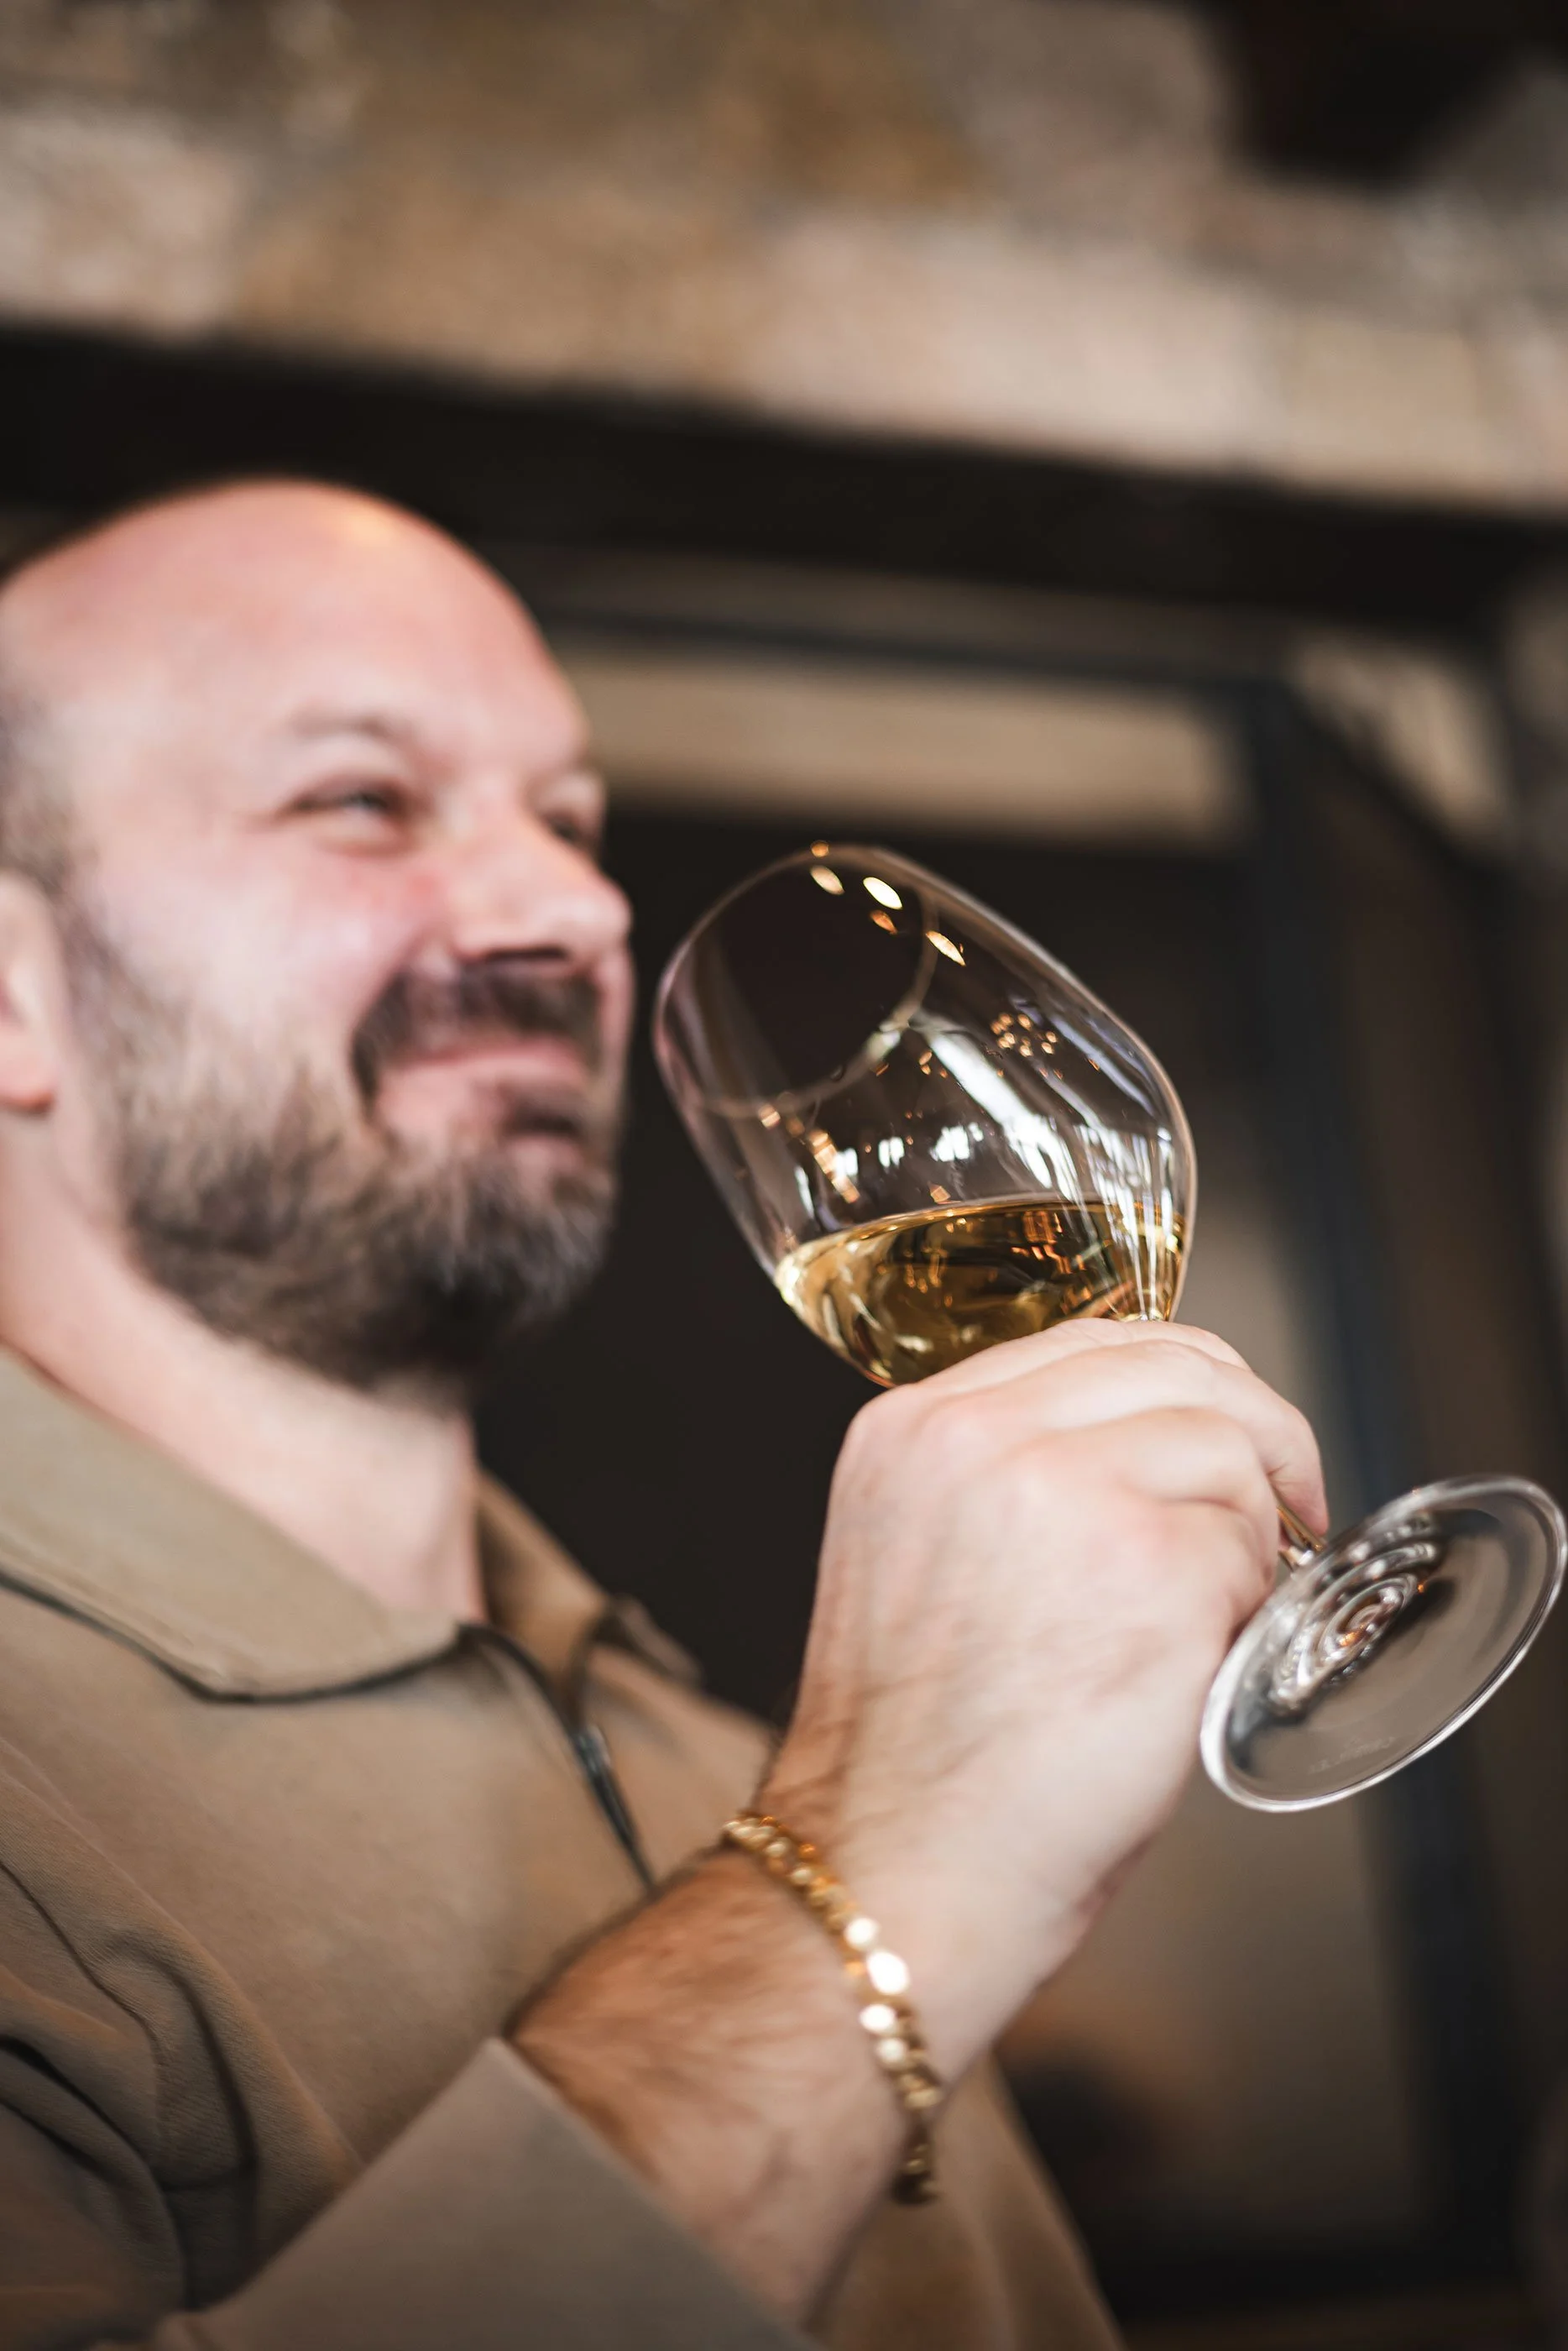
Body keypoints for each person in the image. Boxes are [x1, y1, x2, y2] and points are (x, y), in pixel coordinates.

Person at [0, 481, 1324, 2349]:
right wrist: (869, 1858)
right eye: (360, 799)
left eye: (568, 820)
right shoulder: (851, 1806)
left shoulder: (713, 1746)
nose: (577, 909)